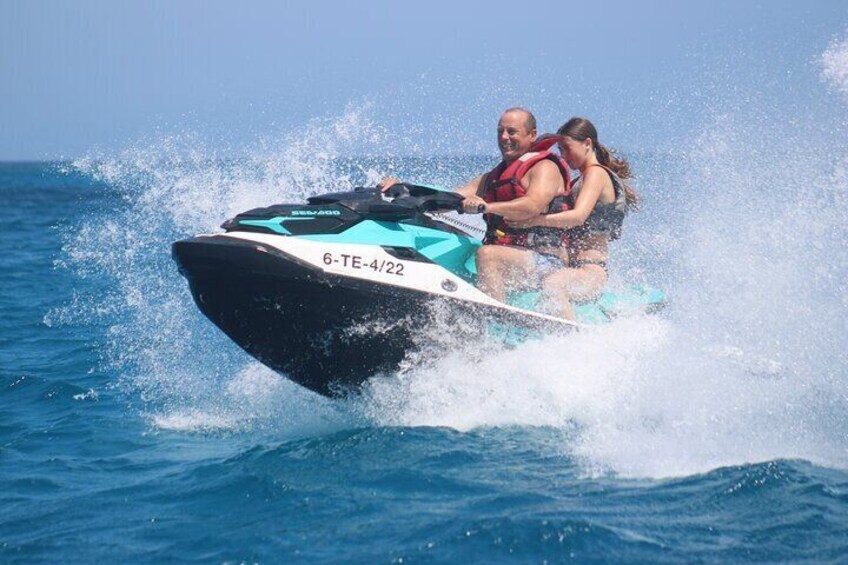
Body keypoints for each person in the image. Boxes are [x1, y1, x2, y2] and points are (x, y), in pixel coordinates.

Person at [379, 107, 572, 303]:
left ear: (532, 135)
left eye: (511, 131)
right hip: (511, 257)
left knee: (487, 254)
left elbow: (531, 206)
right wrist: (402, 189)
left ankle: (493, 322)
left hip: (547, 261)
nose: (504, 137)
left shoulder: (545, 167)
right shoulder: (493, 177)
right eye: (500, 132)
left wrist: (487, 207)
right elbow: (449, 197)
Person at [507, 117, 640, 320]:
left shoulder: (596, 174)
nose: (563, 156)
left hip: (590, 271)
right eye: (559, 150)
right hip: (568, 267)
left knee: (552, 285)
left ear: (587, 144)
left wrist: (535, 220)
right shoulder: (580, 180)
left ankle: (571, 341)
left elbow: (578, 217)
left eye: (567, 148)